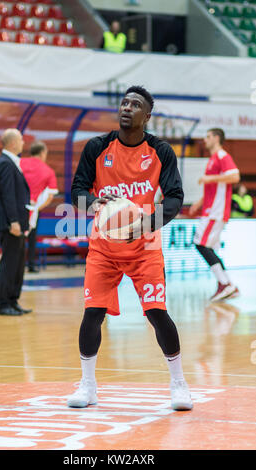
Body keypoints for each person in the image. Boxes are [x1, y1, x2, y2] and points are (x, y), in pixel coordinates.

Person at [68, 85, 193, 411]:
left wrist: (148, 222)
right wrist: (94, 202)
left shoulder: (160, 151)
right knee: (92, 314)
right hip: (104, 246)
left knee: (156, 312)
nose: (127, 107)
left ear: (146, 116)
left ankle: (178, 382)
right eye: (124, 102)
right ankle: (88, 384)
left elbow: (176, 197)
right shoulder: (97, 147)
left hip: (144, 245)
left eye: (135, 104)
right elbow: (77, 192)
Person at [189, 128, 240, 302]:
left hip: (216, 211)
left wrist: (208, 179)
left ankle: (226, 284)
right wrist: (200, 202)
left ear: (217, 138)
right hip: (210, 209)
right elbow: (214, 187)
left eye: (208, 136)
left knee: (201, 244)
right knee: (208, 247)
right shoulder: (213, 159)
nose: (205, 139)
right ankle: (227, 285)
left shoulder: (222, 156)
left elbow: (235, 176)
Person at [0, 128, 32, 316]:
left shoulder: (9, 162)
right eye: (21, 140)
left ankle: (13, 300)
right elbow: (8, 196)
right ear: (13, 143)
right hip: (10, 224)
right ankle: (3, 303)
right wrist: (14, 221)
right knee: (9, 263)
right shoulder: (6, 163)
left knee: (17, 264)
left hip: (16, 222)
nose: (23, 143)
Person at [20, 141, 58, 272]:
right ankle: (30, 264)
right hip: (33, 208)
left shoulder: (19, 163)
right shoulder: (48, 171)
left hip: (16, 206)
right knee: (31, 237)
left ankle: (15, 265)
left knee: (15, 237)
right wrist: (36, 208)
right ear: (42, 153)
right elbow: (50, 196)